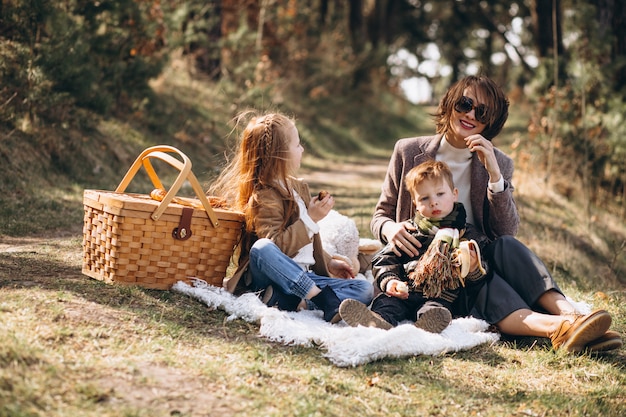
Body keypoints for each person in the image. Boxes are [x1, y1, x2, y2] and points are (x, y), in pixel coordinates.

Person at [370, 75, 622, 353]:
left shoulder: (500, 161)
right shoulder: (407, 151)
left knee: (507, 245)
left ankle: (571, 317)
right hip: (429, 270)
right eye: (465, 104)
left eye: (482, 112)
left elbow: (505, 231)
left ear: (491, 122)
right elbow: (380, 215)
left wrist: (494, 175)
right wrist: (390, 229)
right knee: (485, 285)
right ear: (450, 102)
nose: (470, 115)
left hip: (480, 257)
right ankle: (561, 329)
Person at [208, 111, 374, 323]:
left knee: (364, 289)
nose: (302, 149)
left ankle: (290, 301)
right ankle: (322, 300)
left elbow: (305, 247)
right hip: (270, 275)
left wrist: (330, 262)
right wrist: (310, 220)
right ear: (279, 154)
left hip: (303, 277)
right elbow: (278, 247)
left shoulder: (297, 189)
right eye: (297, 145)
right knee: (262, 247)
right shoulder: (264, 196)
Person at [340, 160, 491, 333]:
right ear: (415, 204)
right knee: (387, 303)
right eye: (425, 198)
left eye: (440, 194)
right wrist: (390, 281)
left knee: (435, 309)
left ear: (455, 194)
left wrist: (473, 268)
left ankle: (429, 324)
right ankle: (377, 321)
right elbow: (385, 258)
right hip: (405, 290)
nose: (433, 202)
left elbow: (482, 274)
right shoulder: (409, 230)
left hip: (441, 295)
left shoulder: (468, 236)